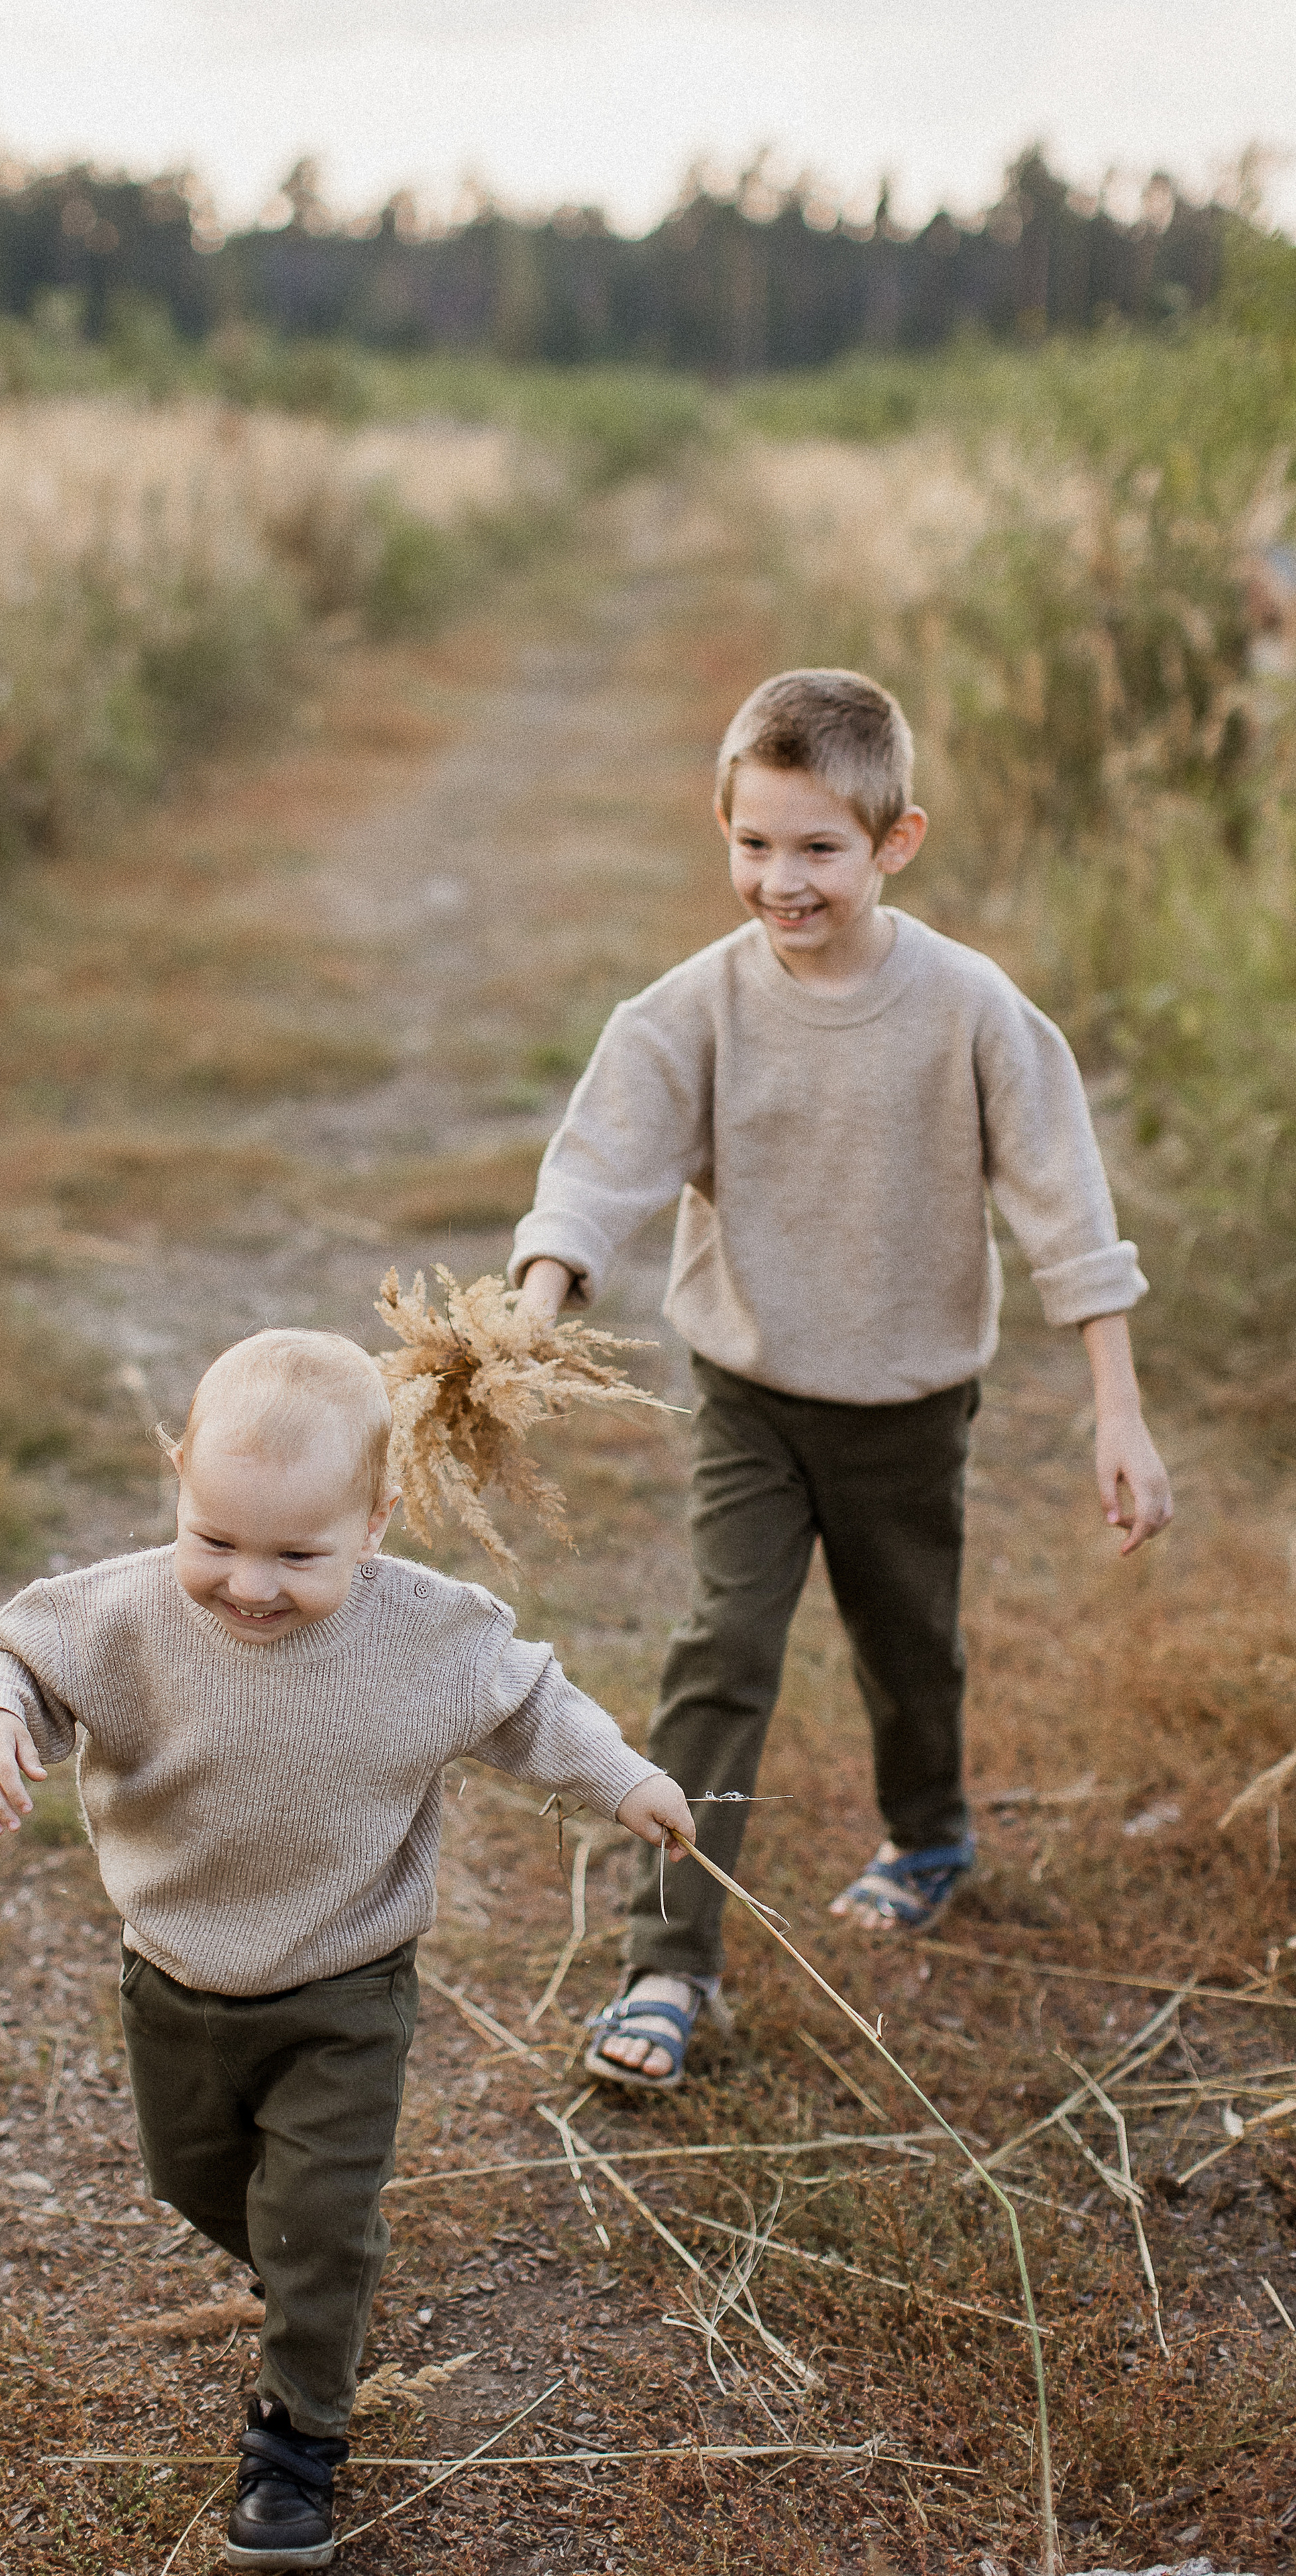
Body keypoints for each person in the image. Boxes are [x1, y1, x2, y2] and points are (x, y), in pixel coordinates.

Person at [509, 666, 1172, 2094]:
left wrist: (1115, 1408)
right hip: (750, 1398)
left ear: (895, 840)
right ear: (722, 834)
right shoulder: (692, 1009)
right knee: (720, 1657)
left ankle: (926, 1834)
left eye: (817, 847)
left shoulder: (969, 1010)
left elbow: (1065, 1207)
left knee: (905, 1649)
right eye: (752, 844)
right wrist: (537, 1298)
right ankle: (667, 1965)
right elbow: (598, 1167)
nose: (780, 879)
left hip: (910, 1408)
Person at [0, 1327, 693, 2571]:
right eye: (216, 1540)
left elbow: (526, 1703)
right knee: (196, 2182)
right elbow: (19, 1653)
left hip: (346, 1982)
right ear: (178, 1481)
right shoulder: (126, 1612)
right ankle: (314, 2272)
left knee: (313, 2217)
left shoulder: (425, 1634)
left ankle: (298, 2438)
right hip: (176, 1976)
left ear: (378, 1523)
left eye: (300, 1554)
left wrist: (622, 1777)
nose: (251, 1584)